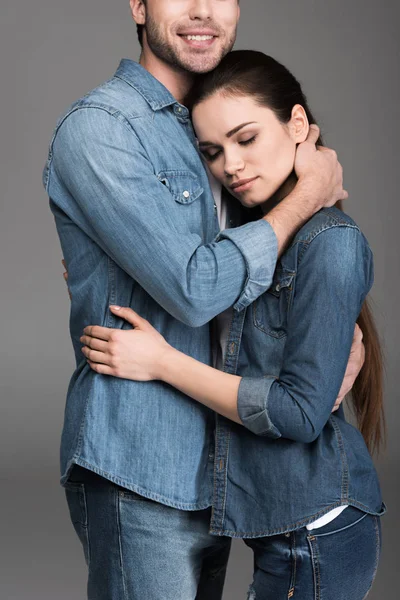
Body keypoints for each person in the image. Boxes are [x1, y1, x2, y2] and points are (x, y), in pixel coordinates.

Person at [44, 1, 363, 598]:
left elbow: (271, 300)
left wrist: (321, 372)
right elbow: (195, 291)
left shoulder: (217, 128)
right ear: (138, 5)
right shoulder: (103, 127)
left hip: (222, 468)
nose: (202, 10)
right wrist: (307, 197)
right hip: (140, 464)